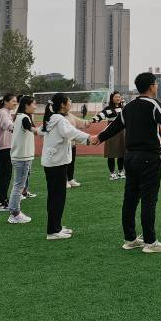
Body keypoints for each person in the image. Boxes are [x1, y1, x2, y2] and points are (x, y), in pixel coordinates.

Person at [97, 73, 161, 253]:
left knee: (130, 199)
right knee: (148, 200)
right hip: (148, 157)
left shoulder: (128, 107)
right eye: (156, 84)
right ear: (152, 86)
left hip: (130, 157)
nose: (157, 86)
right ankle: (150, 242)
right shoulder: (153, 104)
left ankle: (130, 239)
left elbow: (114, 126)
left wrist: (98, 137)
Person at [41, 93, 97, 240]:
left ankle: (56, 226)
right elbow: (71, 132)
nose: (70, 103)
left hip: (54, 162)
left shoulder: (53, 118)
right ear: (62, 104)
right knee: (57, 197)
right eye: (69, 101)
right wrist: (89, 138)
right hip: (56, 163)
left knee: (55, 196)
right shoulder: (59, 119)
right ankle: (53, 231)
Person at [7, 96, 40, 224]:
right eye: (34, 104)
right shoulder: (24, 118)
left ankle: (14, 212)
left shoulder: (20, 116)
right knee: (18, 186)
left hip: (20, 156)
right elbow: (33, 130)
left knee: (18, 185)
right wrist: (45, 130)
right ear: (27, 105)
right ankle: (15, 213)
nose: (35, 107)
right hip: (22, 157)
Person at [0, 94, 18, 212]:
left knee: (6, 175)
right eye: (13, 101)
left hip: (4, 147)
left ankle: (3, 200)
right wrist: (16, 128)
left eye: (16, 101)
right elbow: (7, 125)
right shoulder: (4, 113)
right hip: (3, 148)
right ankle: (0, 203)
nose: (15, 103)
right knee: (4, 176)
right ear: (5, 102)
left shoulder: (5, 112)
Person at [92, 92, 125, 180]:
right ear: (112, 99)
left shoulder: (123, 108)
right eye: (116, 97)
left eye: (119, 97)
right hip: (111, 133)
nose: (118, 98)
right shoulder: (108, 109)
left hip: (122, 132)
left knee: (122, 153)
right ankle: (112, 173)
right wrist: (93, 120)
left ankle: (121, 172)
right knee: (111, 153)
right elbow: (100, 116)